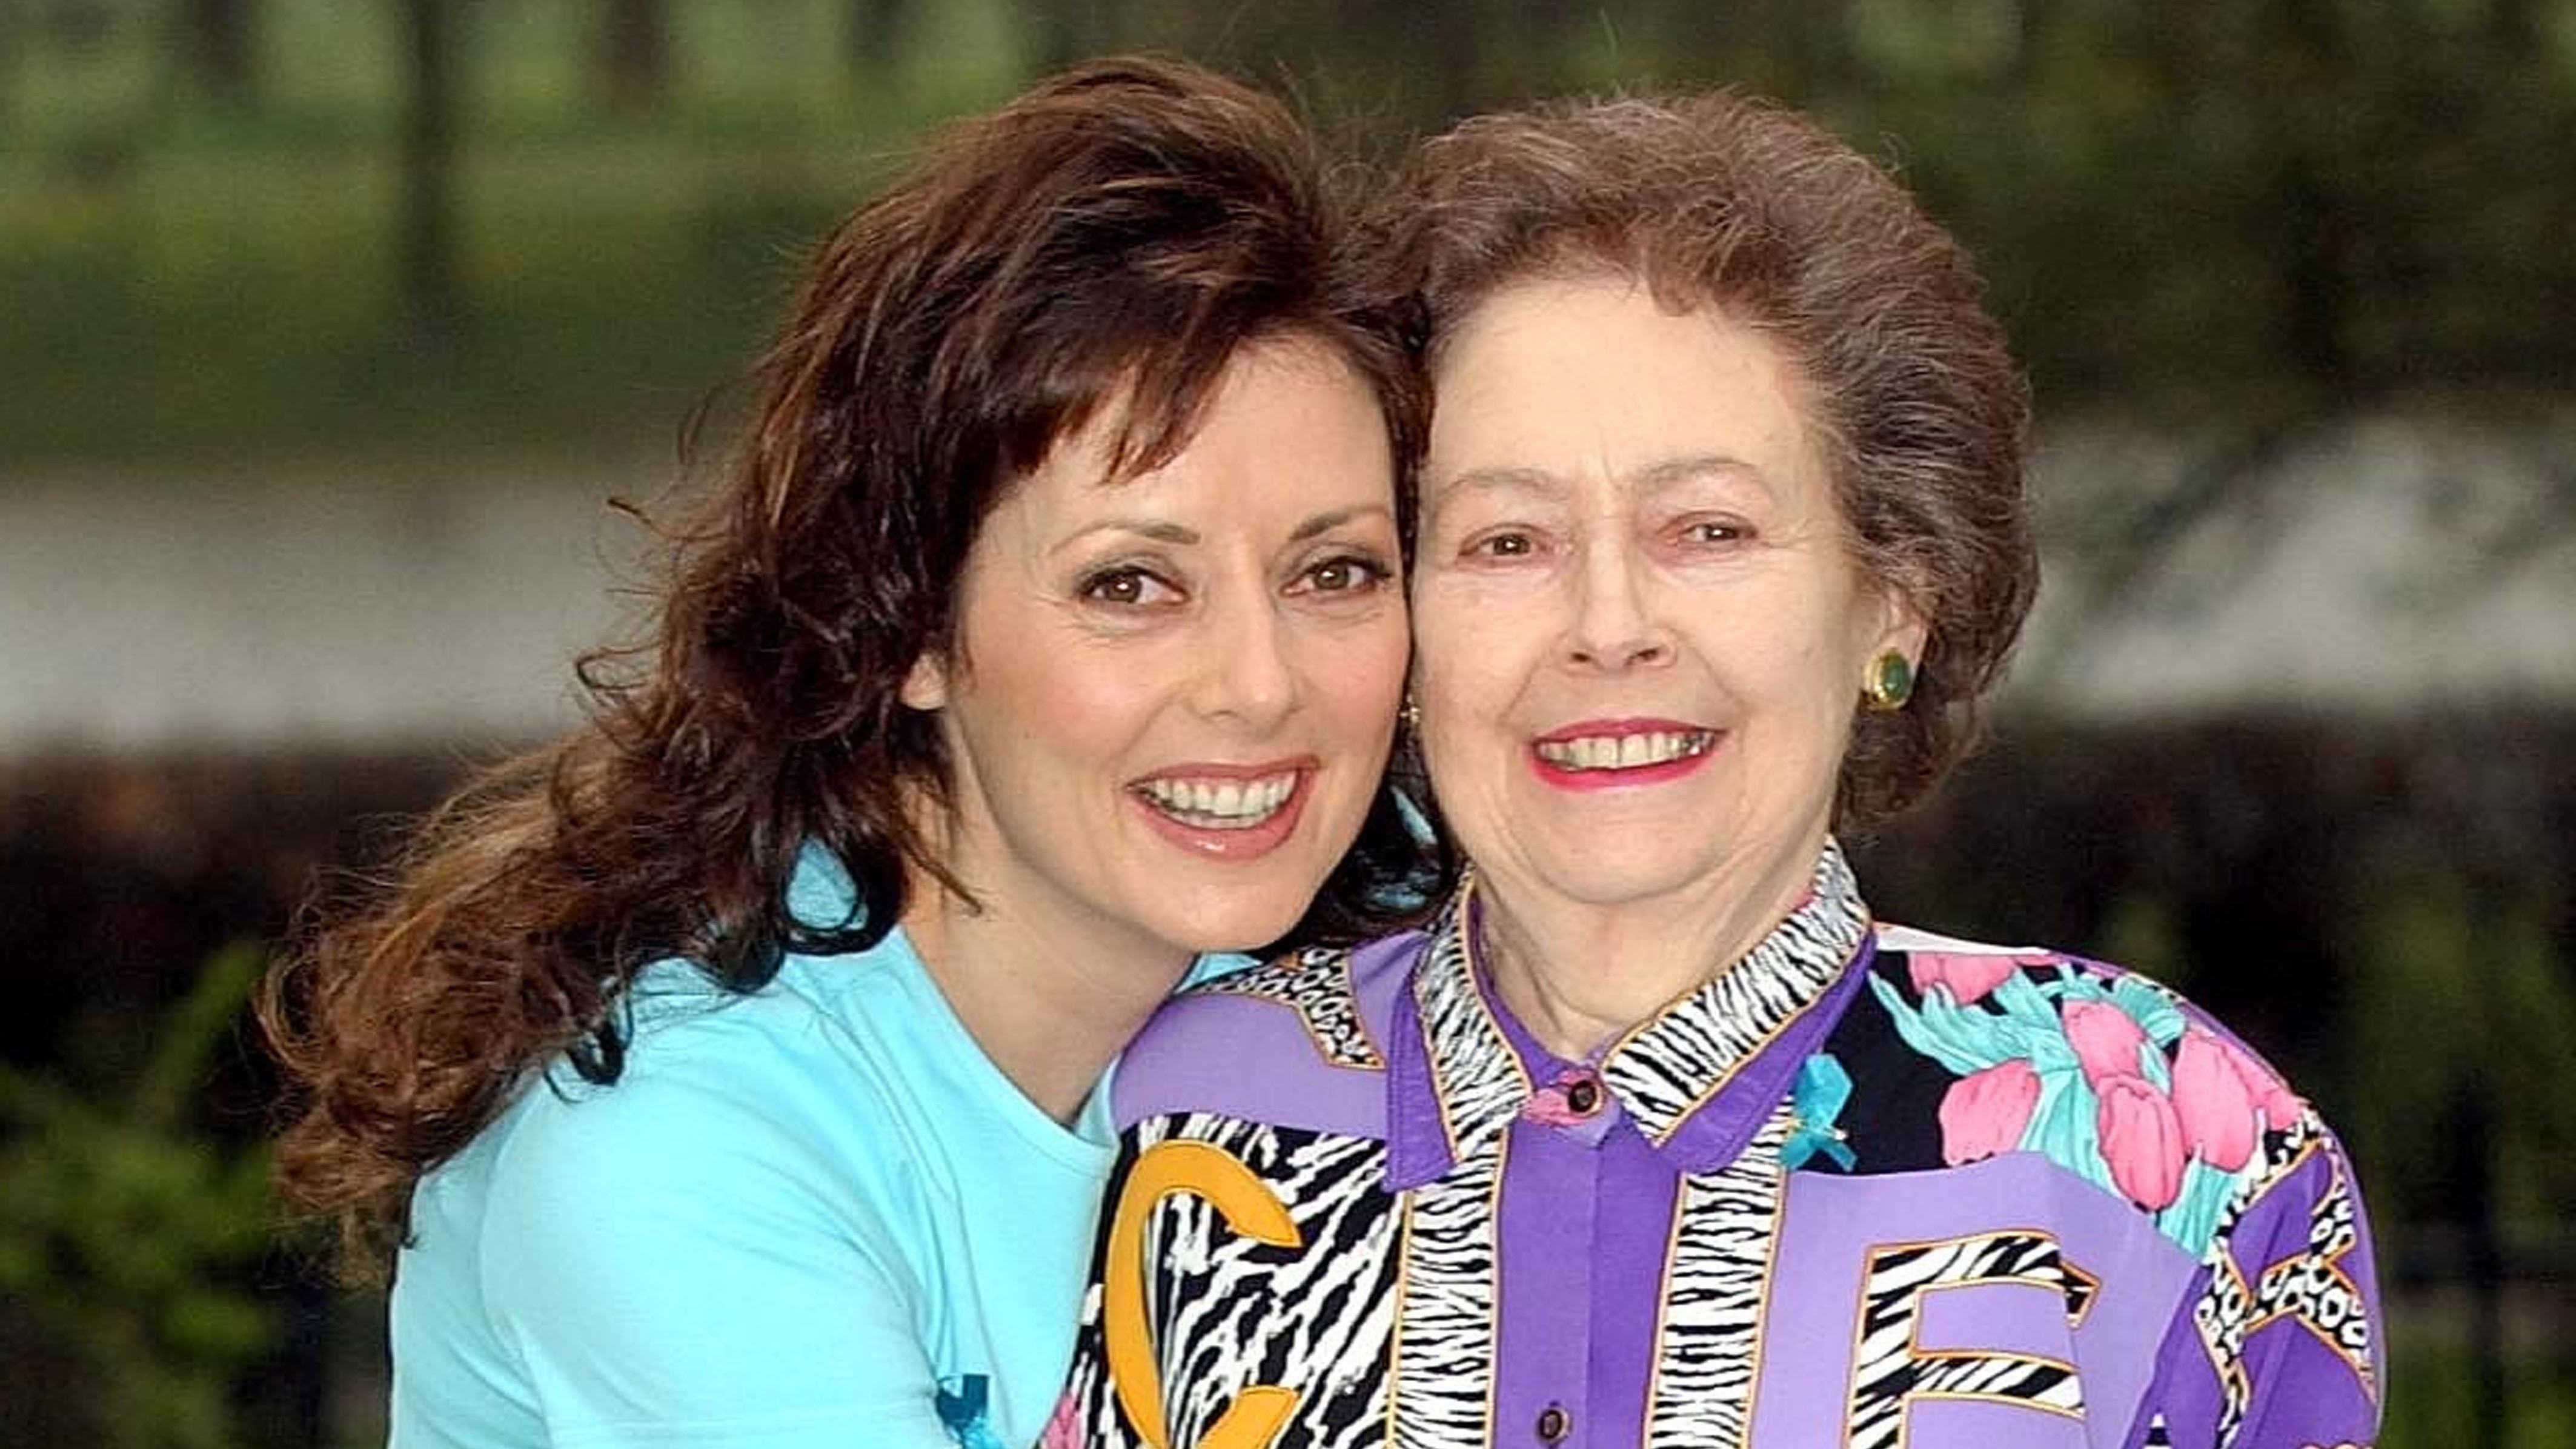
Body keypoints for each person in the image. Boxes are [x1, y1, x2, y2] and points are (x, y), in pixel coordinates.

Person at [1053, 91, 2382, 1449]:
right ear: (1398, 615)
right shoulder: (1186, 1105)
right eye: (1507, 541)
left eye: (1707, 526)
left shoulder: (2162, 1143)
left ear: (1891, 600)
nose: (1608, 626)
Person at [260, 57, 1438, 1449]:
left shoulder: (1407, 953)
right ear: (906, 628)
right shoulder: (681, 1154)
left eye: (1337, 571)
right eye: (1129, 584)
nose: (1260, 686)